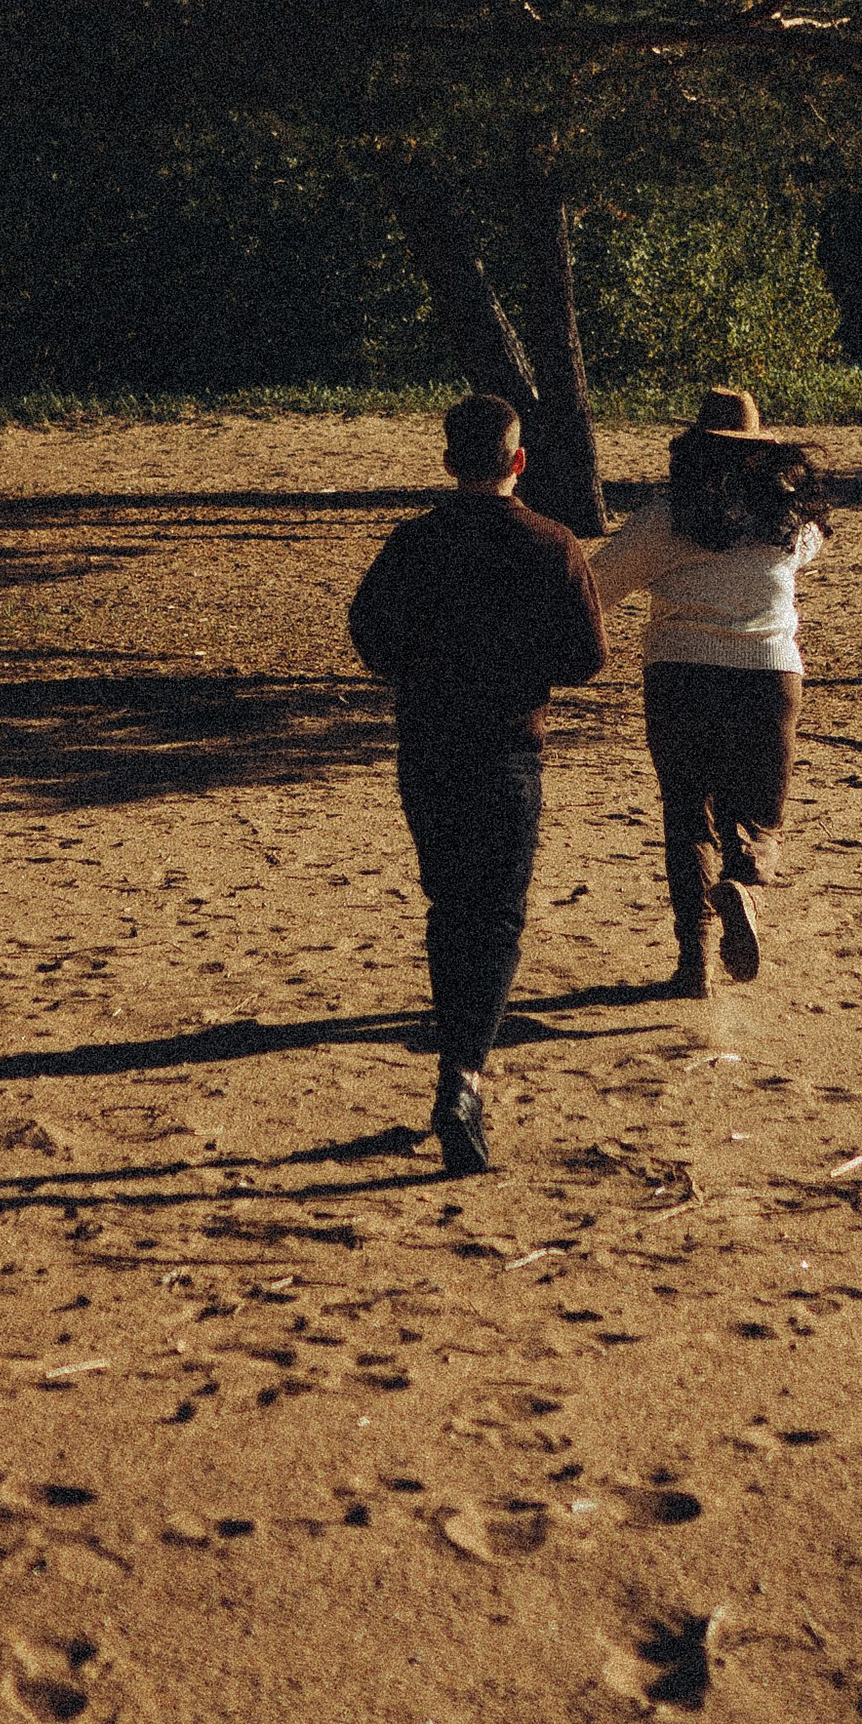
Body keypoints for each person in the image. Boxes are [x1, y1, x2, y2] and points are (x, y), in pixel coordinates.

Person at [347, 391, 606, 1177]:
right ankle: (463, 1073)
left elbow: (369, 634)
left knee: (448, 904)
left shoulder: (414, 543)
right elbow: (587, 657)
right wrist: (522, 670)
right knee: (497, 916)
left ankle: (455, 1061)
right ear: (517, 462)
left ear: (448, 460)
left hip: (427, 745)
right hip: (506, 750)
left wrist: (424, 669)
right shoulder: (551, 544)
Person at [590, 386, 831, 996]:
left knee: (686, 813)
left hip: (681, 673)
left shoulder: (667, 518)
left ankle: (693, 960)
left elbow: (598, 586)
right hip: (771, 674)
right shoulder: (790, 521)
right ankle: (745, 884)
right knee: (760, 815)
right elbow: (808, 552)